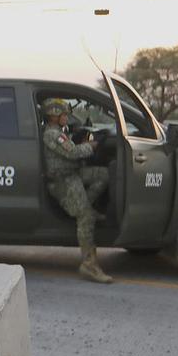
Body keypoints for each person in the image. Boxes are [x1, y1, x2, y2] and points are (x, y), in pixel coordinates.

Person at [40, 99, 114, 284]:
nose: (67, 117)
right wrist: (92, 145)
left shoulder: (59, 132)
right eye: (64, 114)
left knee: (103, 175)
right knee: (86, 217)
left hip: (73, 172)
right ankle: (89, 264)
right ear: (54, 116)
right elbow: (73, 153)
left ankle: (84, 206)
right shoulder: (52, 134)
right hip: (63, 180)